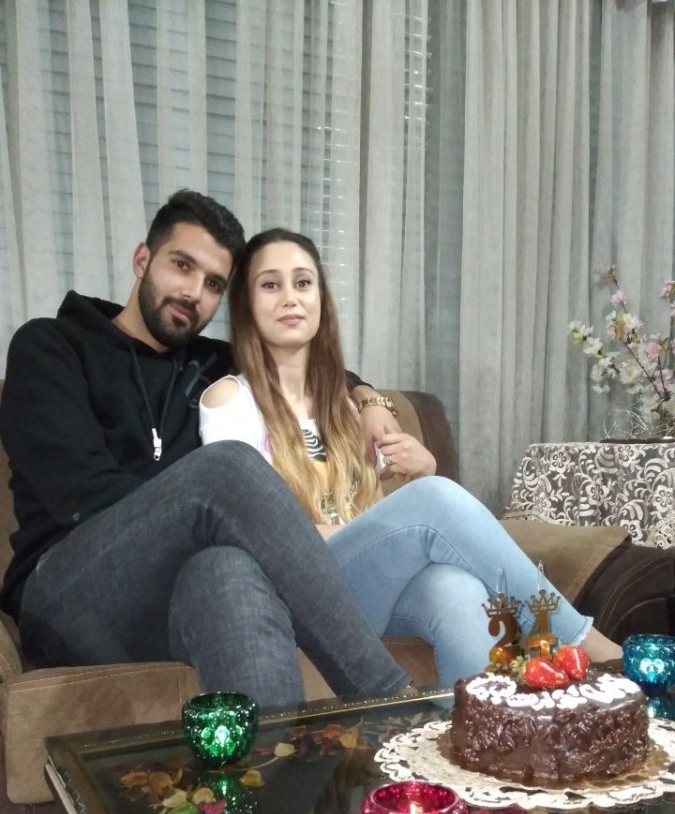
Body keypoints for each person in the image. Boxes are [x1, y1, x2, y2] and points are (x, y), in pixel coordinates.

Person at [0, 191, 411, 708]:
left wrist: (369, 399)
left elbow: (307, 360)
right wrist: (189, 501)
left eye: (214, 283)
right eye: (182, 265)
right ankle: (389, 697)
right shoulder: (50, 346)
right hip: (67, 591)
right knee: (226, 468)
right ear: (142, 259)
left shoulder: (210, 362)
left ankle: (272, 758)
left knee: (227, 571)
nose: (194, 292)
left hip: (162, 598)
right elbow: (76, 496)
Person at [199, 227, 622, 683]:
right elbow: (250, 526)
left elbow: (397, 509)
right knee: (435, 499)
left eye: (303, 283)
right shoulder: (229, 400)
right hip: (296, 591)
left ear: (321, 299)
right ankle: (583, 642)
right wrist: (417, 500)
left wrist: (422, 469)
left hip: (360, 587)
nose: (290, 298)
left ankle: (475, 724)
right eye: (270, 284)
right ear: (246, 304)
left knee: (457, 589)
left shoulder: (347, 406)